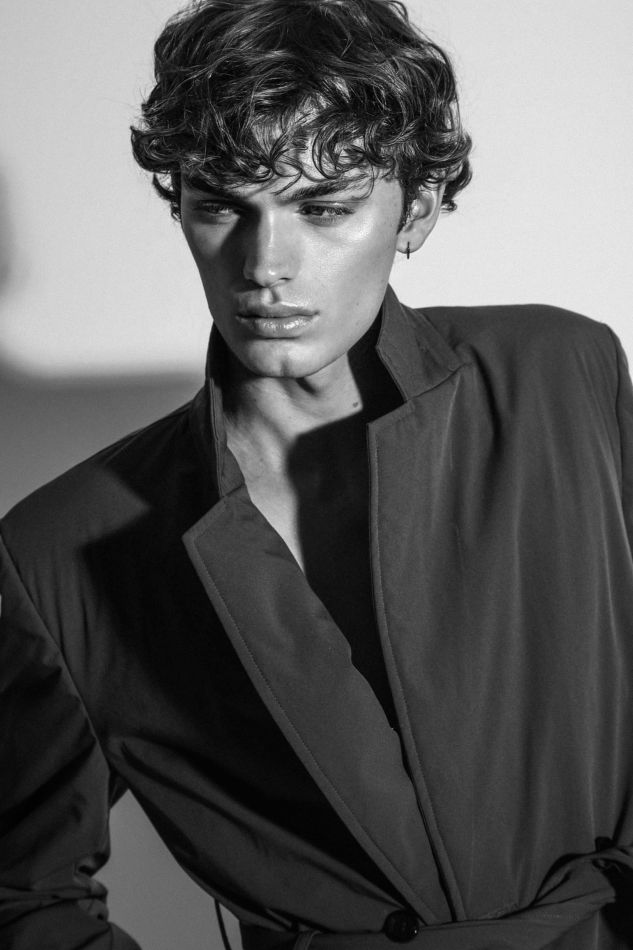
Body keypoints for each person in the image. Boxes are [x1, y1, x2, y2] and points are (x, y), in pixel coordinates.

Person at [1, 0, 632, 947]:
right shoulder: (62, 547)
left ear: (417, 209)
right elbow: (21, 892)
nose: (265, 265)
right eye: (221, 204)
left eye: (324, 208)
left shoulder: (558, 378)